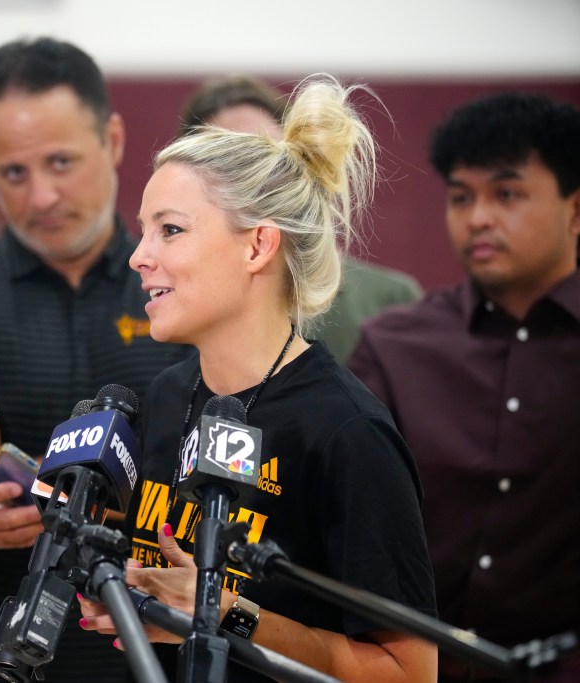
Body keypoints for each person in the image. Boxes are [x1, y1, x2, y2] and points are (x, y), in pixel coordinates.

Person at [79, 74, 438, 682]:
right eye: (142, 230)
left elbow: (410, 671)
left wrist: (232, 615)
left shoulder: (346, 432)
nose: (139, 255)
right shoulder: (169, 395)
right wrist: (134, 592)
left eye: (170, 229)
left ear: (258, 247)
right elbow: (181, 601)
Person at [0, 38, 190, 682]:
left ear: (111, 140)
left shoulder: (183, 290)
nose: (42, 197)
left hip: (153, 659)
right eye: (14, 173)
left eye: (61, 162)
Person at [348, 92, 580, 683]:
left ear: (574, 209)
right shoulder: (394, 347)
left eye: (507, 194)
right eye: (461, 197)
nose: (478, 217)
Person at [179, 74, 423, 364]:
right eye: (221, 163)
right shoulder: (165, 302)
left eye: (262, 154)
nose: (246, 178)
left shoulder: (389, 301)